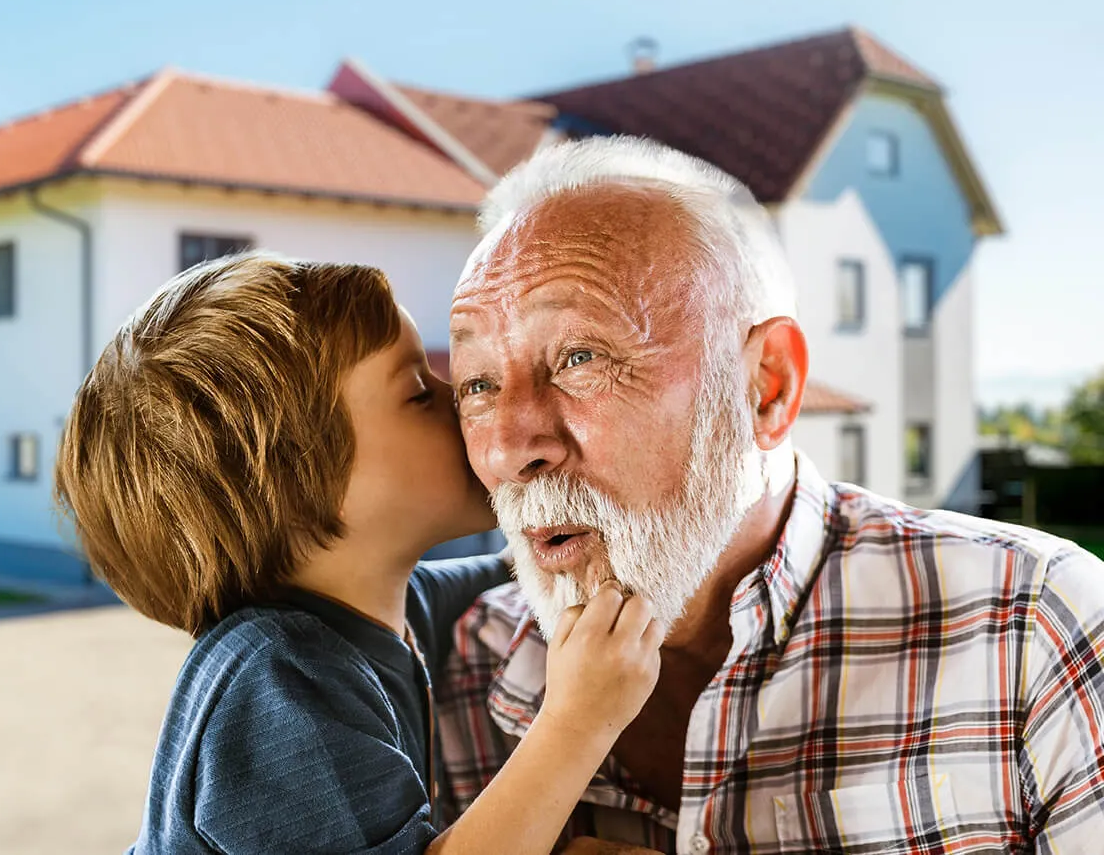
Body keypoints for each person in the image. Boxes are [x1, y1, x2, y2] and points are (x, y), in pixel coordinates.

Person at [439, 136, 1104, 853]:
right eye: (477, 383)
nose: (508, 447)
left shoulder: (1034, 626)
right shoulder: (459, 667)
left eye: (580, 357)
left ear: (767, 386)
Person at [54, 253, 667, 854]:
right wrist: (577, 723)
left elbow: (514, 566)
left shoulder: (394, 610)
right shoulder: (277, 679)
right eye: (417, 393)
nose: (466, 400)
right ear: (300, 484)